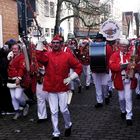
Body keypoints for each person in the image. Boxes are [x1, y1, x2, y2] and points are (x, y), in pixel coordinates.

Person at [36, 34, 82, 140]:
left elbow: (78, 67)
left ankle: (68, 124)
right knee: (54, 111)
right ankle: (56, 132)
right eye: (54, 43)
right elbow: (38, 56)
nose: (55, 45)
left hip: (62, 87)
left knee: (64, 109)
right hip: (51, 87)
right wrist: (39, 42)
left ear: (61, 44)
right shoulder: (47, 55)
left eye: (58, 43)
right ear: (51, 44)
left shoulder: (67, 56)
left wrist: (71, 78)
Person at [109, 38, 137, 126]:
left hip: (128, 79)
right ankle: (123, 110)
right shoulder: (114, 55)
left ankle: (129, 116)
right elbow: (111, 66)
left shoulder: (131, 55)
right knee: (121, 98)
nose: (124, 48)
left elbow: (133, 66)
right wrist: (120, 66)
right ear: (119, 47)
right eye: (122, 47)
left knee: (128, 97)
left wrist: (132, 66)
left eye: (125, 47)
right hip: (119, 79)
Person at [7, 42, 29, 120]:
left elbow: (21, 68)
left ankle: (25, 105)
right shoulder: (11, 56)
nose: (14, 50)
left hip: (19, 80)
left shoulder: (22, 57)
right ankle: (17, 112)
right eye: (13, 49)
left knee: (17, 96)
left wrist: (19, 78)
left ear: (19, 50)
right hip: (11, 79)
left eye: (15, 49)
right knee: (13, 97)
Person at [91, 33, 113, 108]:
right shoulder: (92, 46)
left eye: (99, 39)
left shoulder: (107, 47)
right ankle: (99, 101)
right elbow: (90, 57)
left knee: (105, 85)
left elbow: (110, 58)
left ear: (102, 39)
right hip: (95, 70)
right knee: (97, 86)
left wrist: (108, 67)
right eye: (97, 39)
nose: (98, 40)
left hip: (105, 69)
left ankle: (106, 96)